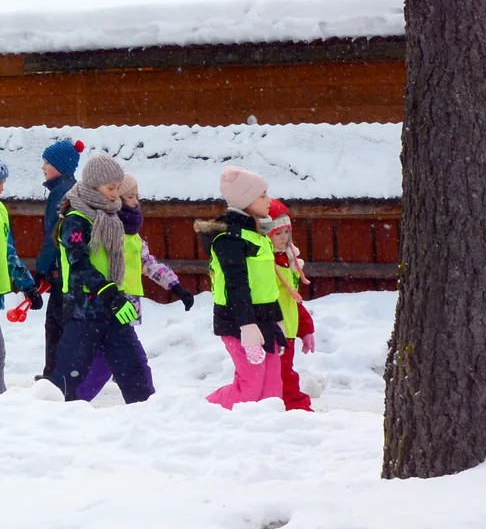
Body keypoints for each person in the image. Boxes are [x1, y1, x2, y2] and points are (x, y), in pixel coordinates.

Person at [67, 174, 194, 401]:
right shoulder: (105, 228)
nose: (135, 202)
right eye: (130, 196)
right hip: (107, 305)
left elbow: (149, 264)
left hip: (126, 307)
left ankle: (74, 400)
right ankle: (73, 401)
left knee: (107, 362)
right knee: (114, 363)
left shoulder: (133, 235)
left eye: (136, 196)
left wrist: (176, 286)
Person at [54, 152, 152, 404]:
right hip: (83, 309)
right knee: (71, 374)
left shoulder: (109, 217)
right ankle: (56, 417)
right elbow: (79, 264)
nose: (115, 194)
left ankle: (147, 412)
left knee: (135, 367)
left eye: (118, 188)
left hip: (111, 306)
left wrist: (114, 295)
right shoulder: (76, 220)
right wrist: (109, 291)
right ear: (93, 185)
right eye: (111, 188)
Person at [202, 166, 290, 409]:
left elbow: (266, 285)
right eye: (262, 195)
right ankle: (206, 409)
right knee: (249, 387)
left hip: (265, 319)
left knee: (272, 389)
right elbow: (236, 285)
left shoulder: (258, 236)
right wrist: (246, 326)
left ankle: (264, 433)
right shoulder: (229, 240)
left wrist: (278, 318)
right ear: (246, 199)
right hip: (237, 321)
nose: (268, 200)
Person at [259, 197, 317, 412]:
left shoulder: (288, 261)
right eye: (278, 234)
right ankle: (293, 406)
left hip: (288, 329)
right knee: (281, 372)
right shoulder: (265, 264)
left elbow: (293, 301)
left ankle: (284, 405)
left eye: (286, 233)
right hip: (273, 327)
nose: (284, 238)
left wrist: (306, 329)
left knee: (285, 369)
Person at [31, 139, 80, 386]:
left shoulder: (61, 193)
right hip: (71, 267)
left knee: (56, 323)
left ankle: (54, 374)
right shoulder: (70, 189)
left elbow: (53, 234)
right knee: (66, 321)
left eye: (47, 163)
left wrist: (42, 269)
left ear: (60, 166)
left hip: (63, 269)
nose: (43, 167)